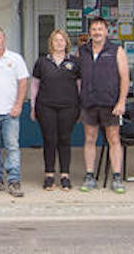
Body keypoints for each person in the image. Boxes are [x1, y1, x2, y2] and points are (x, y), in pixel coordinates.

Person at [77, 17, 130, 194]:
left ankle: (117, 177)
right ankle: (90, 176)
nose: (97, 32)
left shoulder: (117, 50)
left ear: (107, 31)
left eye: (100, 29)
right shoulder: (82, 51)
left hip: (111, 104)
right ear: (90, 32)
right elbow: (78, 78)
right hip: (89, 102)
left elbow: (125, 78)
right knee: (89, 138)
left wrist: (121, 101)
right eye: (94, 29)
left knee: (114, 138)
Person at [0, 27, 30, 197]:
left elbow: (23, 82)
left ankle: (14, 181)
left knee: (12, 147)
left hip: (10, 112)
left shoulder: (15, 58)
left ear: (4, 39)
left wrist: (19, 105)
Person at [30, 29, 81, 191]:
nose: (59, 43)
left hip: (69, 106)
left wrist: (80, 106)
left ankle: (65, 175)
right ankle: (49, 174)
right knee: (49, 139)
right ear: (51, 43)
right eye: (56, 40)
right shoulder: (42, 62)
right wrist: (33, 107)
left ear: (67, 43)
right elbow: (34, 85)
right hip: (46, 106)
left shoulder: (74, 62)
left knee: (65, 139)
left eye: (62, 40)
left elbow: (80, 86)